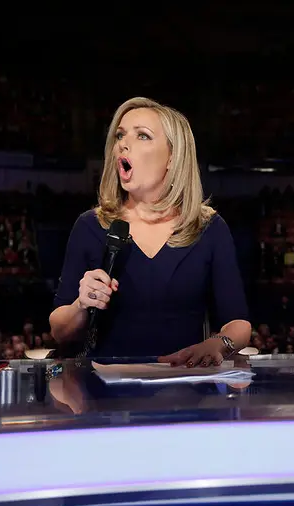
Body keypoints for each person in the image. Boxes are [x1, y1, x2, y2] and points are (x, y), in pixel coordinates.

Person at [49, 97, 251, 365]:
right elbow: (58, 330)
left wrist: (219, 343)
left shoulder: (209, 228)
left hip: (184, 384)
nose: (123, 143)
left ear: (172, 157)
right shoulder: (90, 226)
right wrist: (81, 305)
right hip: (105, 387)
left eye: (142, 135)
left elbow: (239, 324)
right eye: (120, 135)